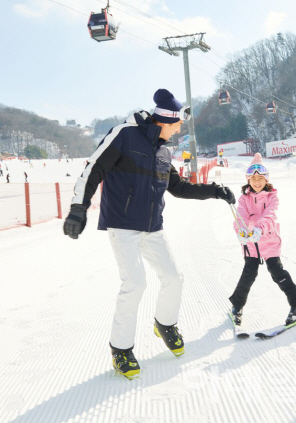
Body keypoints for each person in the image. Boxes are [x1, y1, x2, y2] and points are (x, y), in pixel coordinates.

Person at [63, 88, 236, 379]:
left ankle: (165, 324)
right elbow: (93, 169)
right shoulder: (125, 135)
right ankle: (121, 349)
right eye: (178, 124)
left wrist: (214, 191)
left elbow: (179, 188)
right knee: (135, 283)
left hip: (152, 227)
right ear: (165, 122)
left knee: (173, 277)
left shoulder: (164, 151)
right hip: (123, 225)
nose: (180, 129)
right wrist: (78, 208)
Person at [229, 153, 296, 327]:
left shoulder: (272, 197)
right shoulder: (244, 199)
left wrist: (259, 228)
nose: (257, 182)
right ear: (248, 181)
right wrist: (241, 232)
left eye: (260, 178)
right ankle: (237, 306)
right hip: (251, 244)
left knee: (277, 273)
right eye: (253, 179)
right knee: (248, 275)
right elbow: (240, 217)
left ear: (266, 180)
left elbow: (270, 215)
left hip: (269, 241)